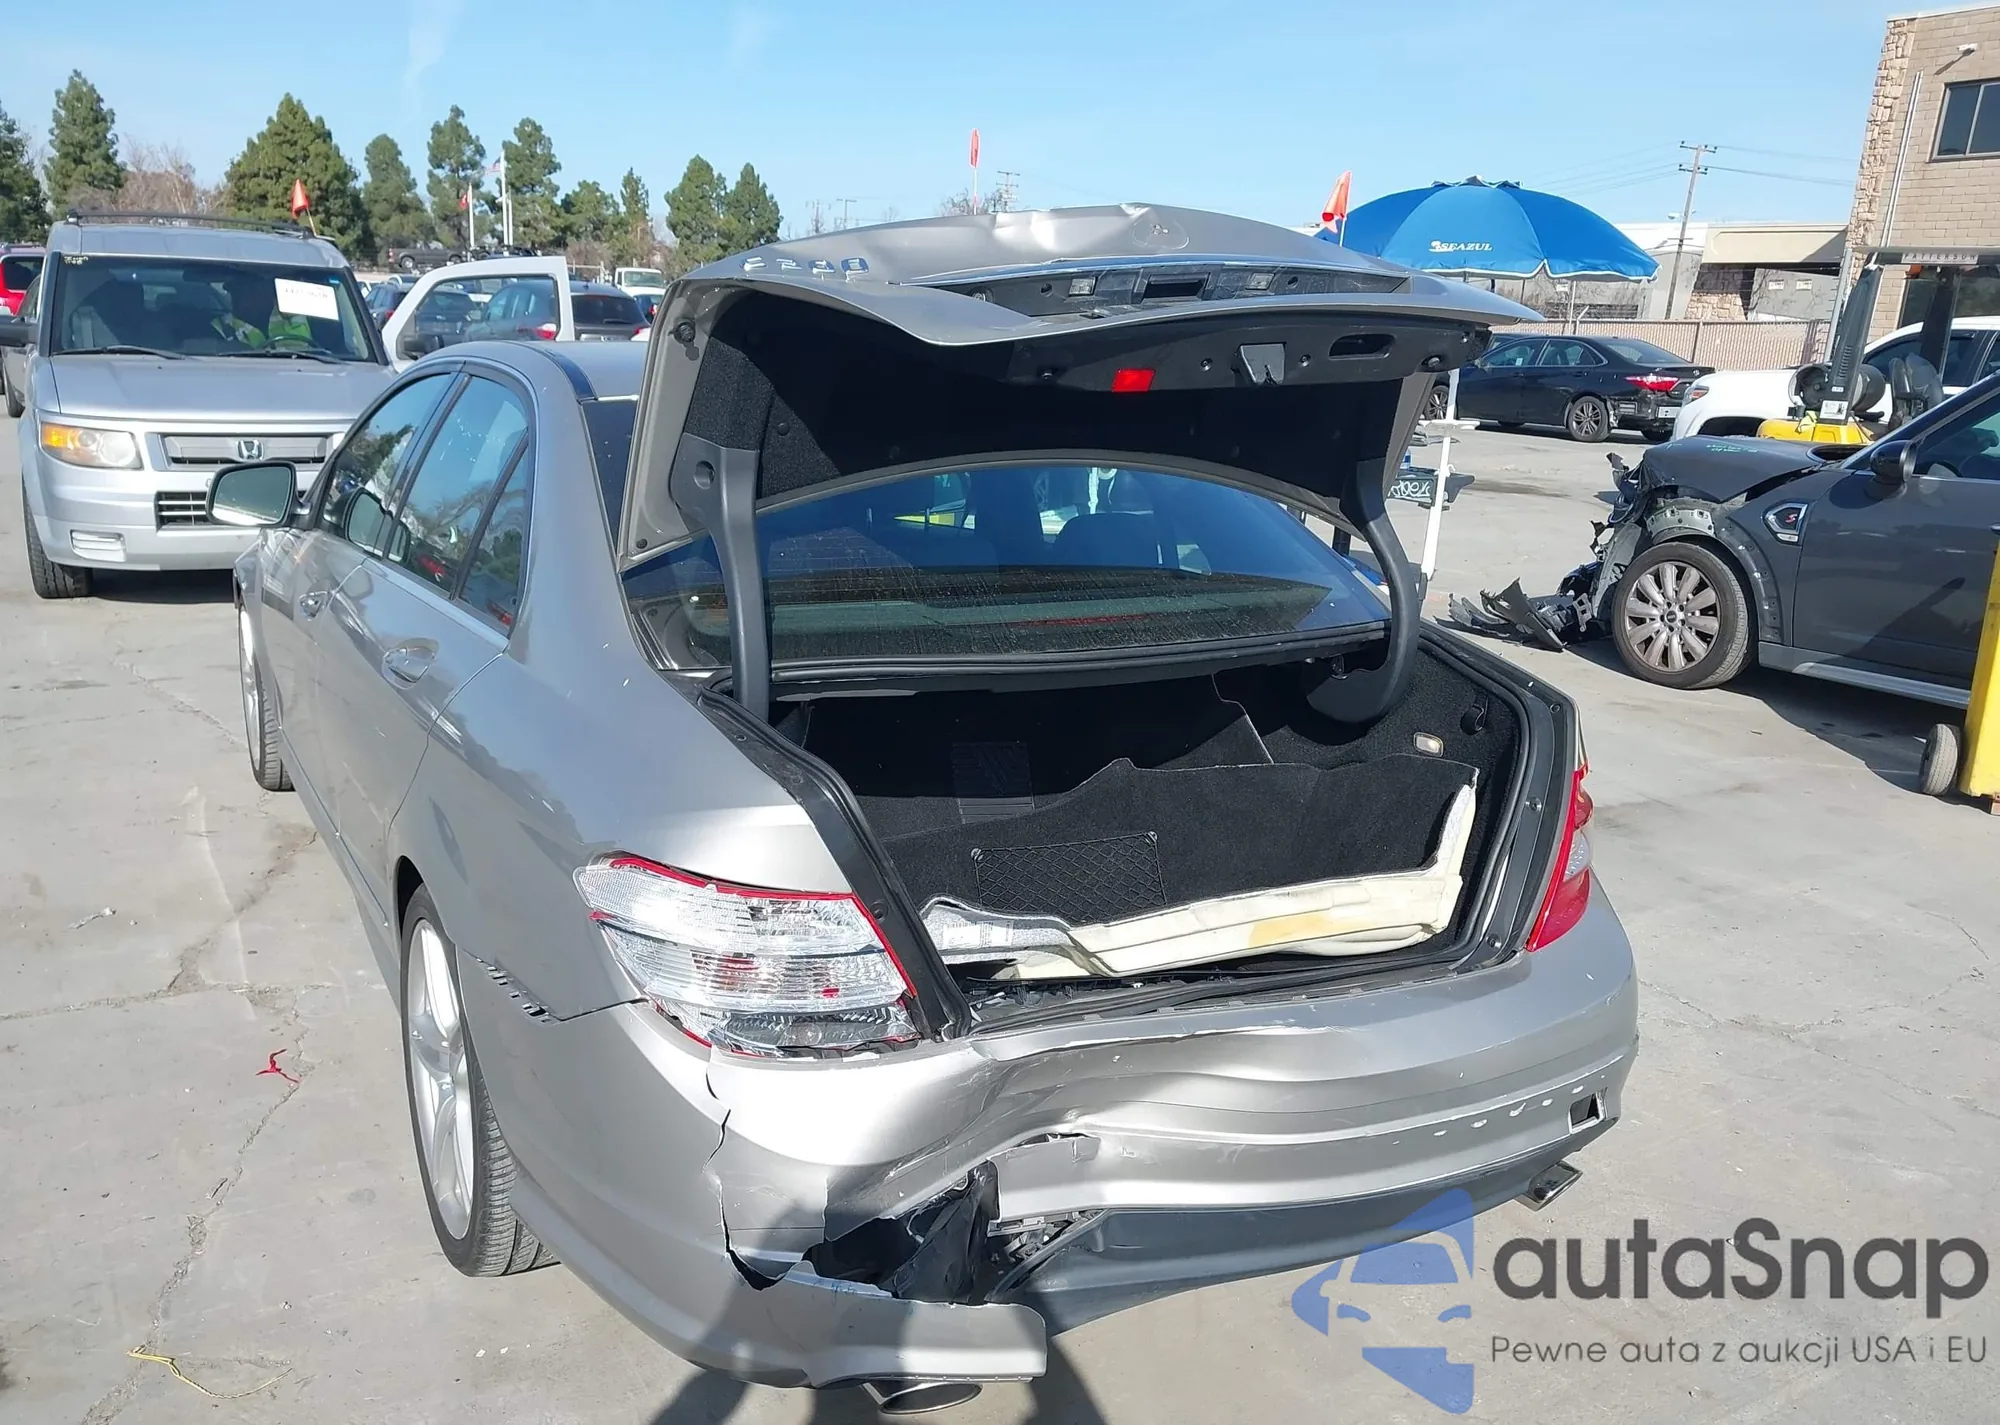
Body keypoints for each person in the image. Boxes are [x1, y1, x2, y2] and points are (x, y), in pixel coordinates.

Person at [212, 272, 313, 348]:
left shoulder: (296, 315)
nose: (243, 299)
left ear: (268, 290)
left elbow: (321, 349)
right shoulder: (219, 327)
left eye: (253, 290)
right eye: (238, 292)